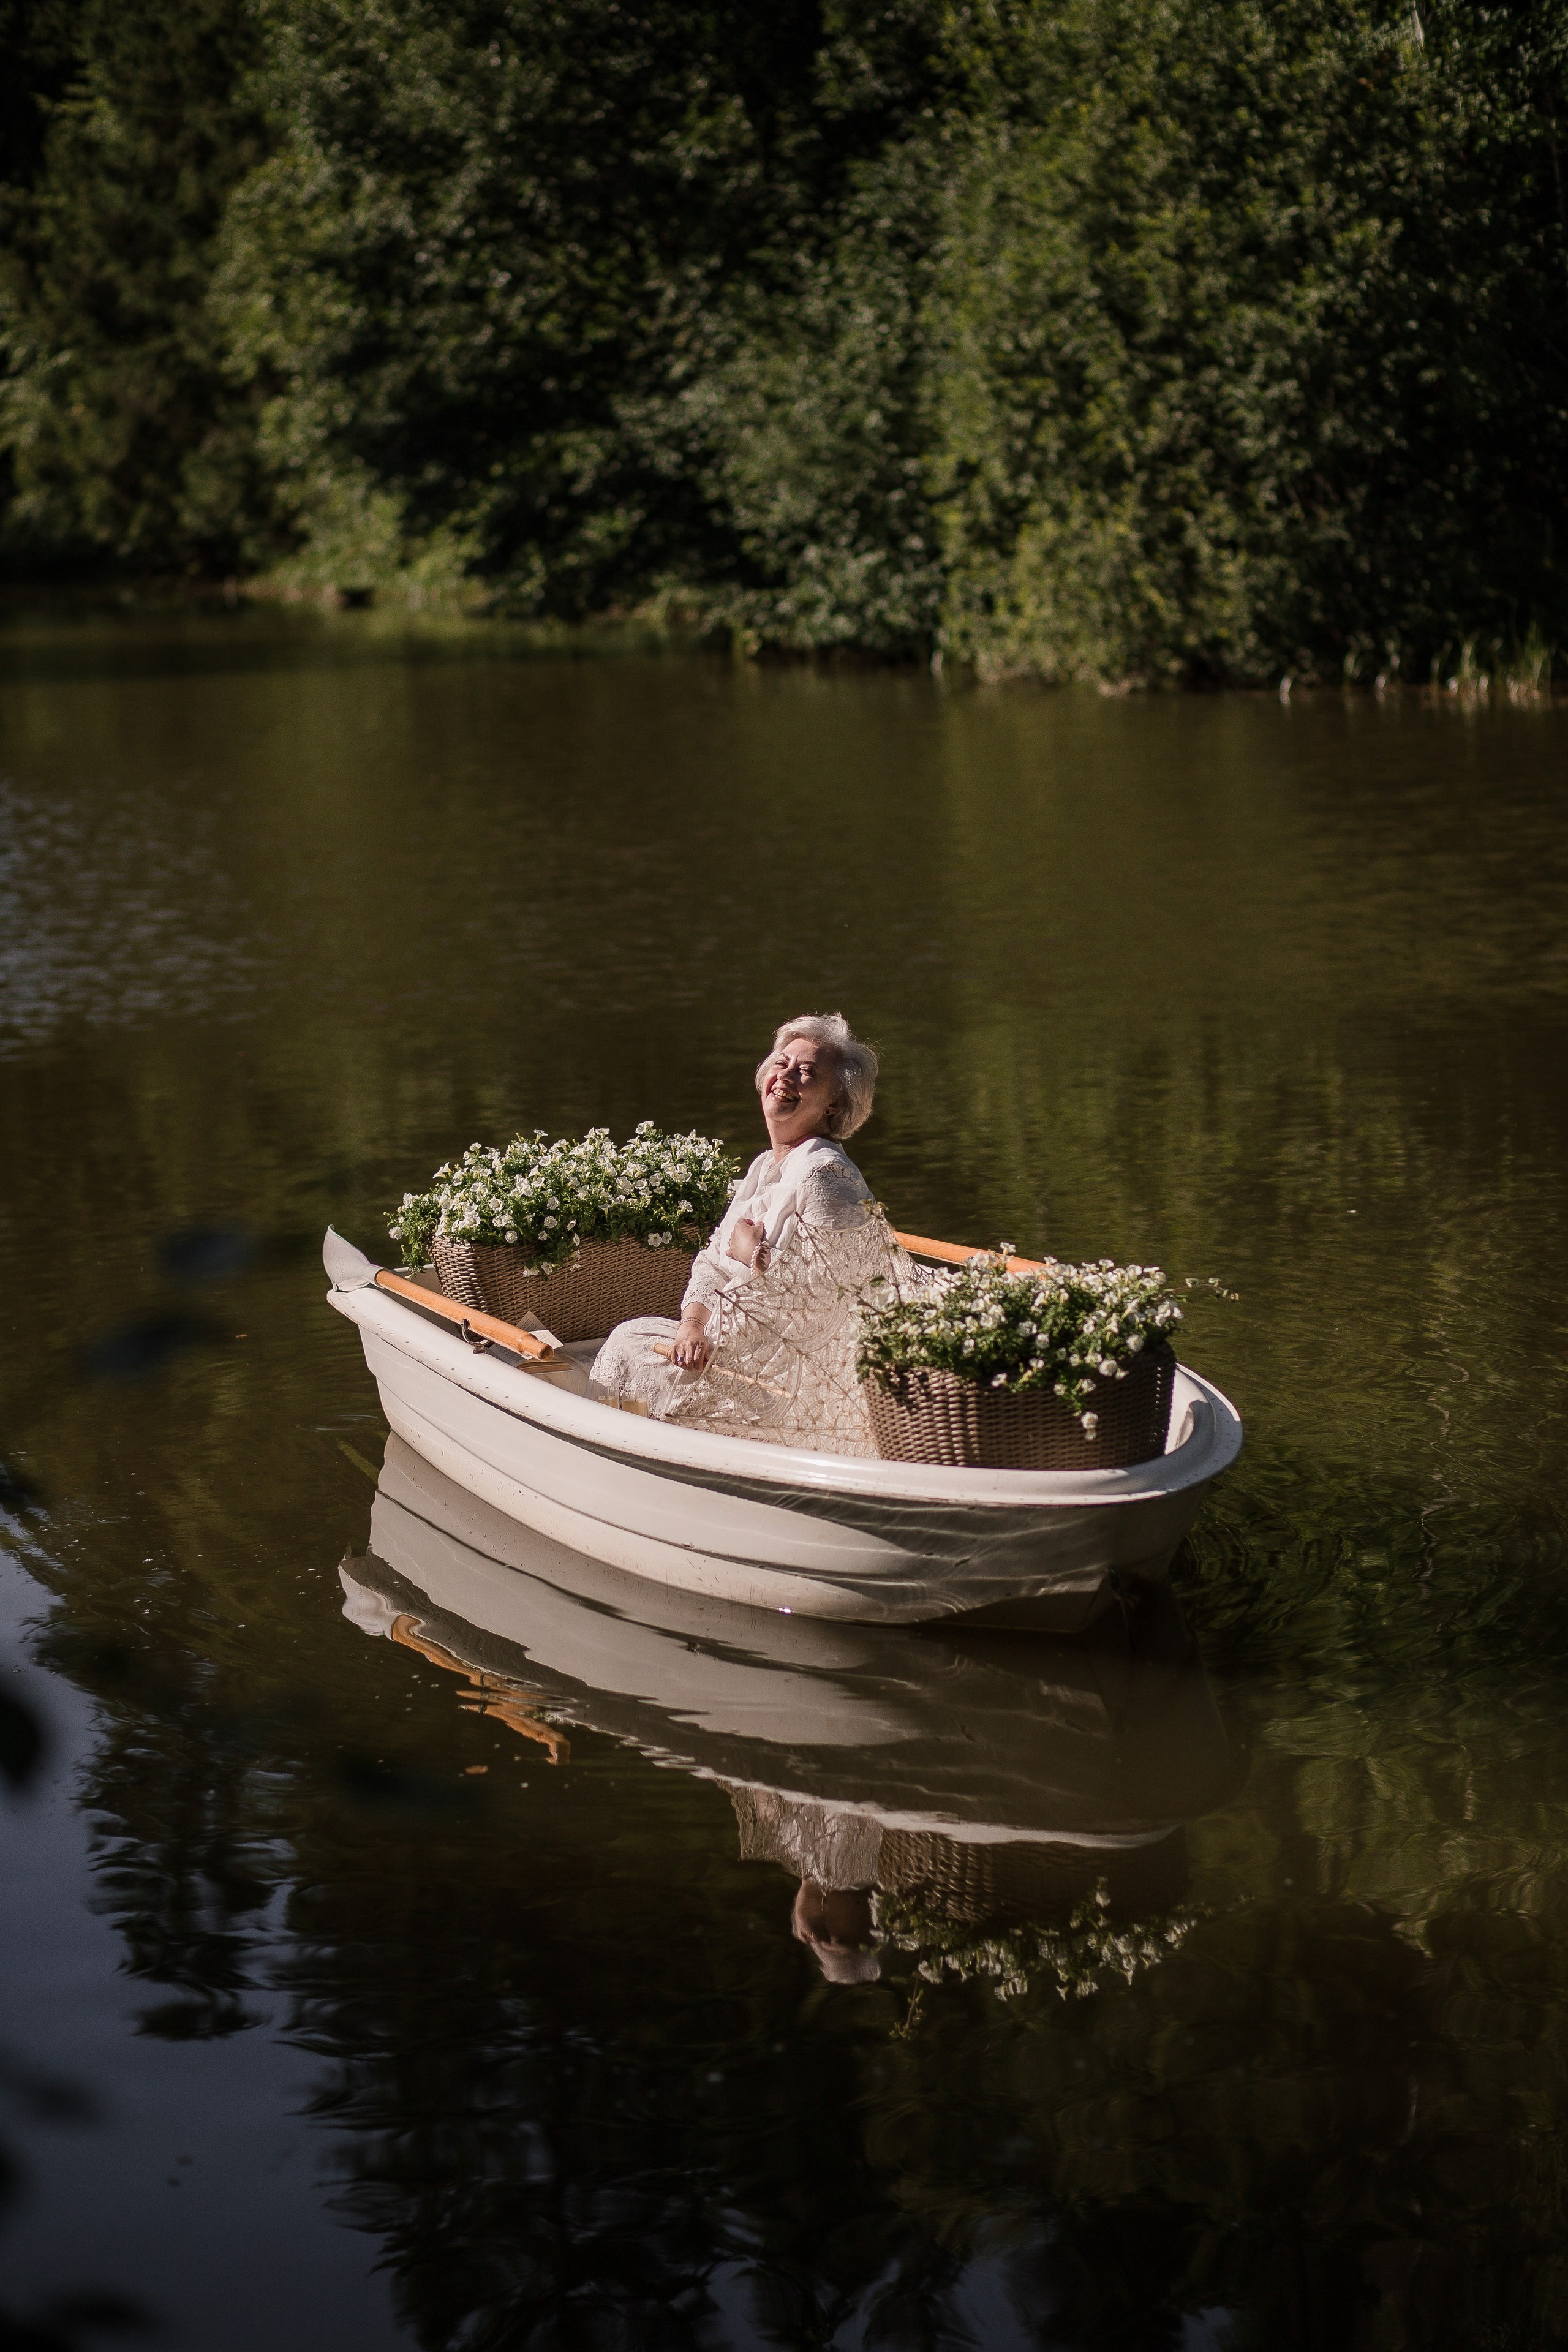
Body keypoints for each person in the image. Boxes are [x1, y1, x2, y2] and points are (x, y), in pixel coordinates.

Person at [591, 1013, 904, 1454]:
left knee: (628, 1346)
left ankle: (631, 1457)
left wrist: (754, 1256)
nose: (786, 1077)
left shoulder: (827, 1175)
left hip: (788, 1368)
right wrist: (692, 1327)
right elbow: (711, 1263)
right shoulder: (764, 1166)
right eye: (781, 1063)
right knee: (634, 1337)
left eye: (806, 1072)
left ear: (834, 1104)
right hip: (734, 1342)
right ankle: (631, 1455)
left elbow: (835, 1299)